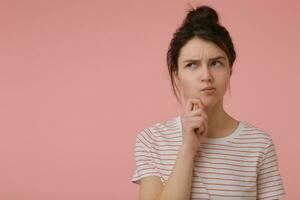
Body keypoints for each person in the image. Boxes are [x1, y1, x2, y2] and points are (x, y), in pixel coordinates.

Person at [131, 5, 286, 200]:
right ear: (177, 76)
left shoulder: (259, 145)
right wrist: (188, 147)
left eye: (216, 63)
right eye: (192, 65)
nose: (206, 76)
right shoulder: (151, 140)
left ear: (230, 69)